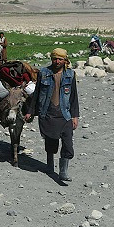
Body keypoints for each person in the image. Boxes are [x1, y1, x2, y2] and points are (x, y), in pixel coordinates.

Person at [24, 48, 79, 182]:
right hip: (48, 113)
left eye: (60, 59)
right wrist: (30, 111)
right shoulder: (44, 73)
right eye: (55, 59)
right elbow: (36, 94)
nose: (57, 61)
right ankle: (49, 166)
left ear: (65, 60)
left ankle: (63, 172)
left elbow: (73, 97)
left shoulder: (70, 75)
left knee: (68, 144)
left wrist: (75, 116)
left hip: (65, 115)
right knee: (51, 141)